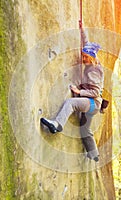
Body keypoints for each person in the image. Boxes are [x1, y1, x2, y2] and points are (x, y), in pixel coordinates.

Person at [40, 29, 104, 162]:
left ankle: (57, 124)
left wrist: (79, 92)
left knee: (71, 103)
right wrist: (82, 30)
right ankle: (94, 154)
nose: (83, 58)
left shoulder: (94, 70)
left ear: (92, 57)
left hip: (93, 103)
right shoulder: (93, 61)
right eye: (83, 55)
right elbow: (87, 45)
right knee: (84, 130)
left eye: (86, 57)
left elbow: (96, 92)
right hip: (93, 104)